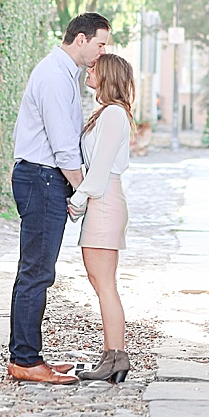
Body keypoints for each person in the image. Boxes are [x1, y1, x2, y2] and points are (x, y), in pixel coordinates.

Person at [8, 11, 110, 385]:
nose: (102, 52)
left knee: (36, 271)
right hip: (42, 179)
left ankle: (27, 355)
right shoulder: (55, 76)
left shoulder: (64, 75)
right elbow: (64, 147)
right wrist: (83, 191)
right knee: (36, 272)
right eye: (100, 43)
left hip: (43, 179)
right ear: (80, 39)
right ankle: (25, 360)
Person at [67, 52, 135, 383]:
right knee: (100, 282)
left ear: (107, 75)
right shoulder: (106, 113)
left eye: (95, 67)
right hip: (102, 199)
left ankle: (116, 357)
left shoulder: (113, 115)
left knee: (105, 284)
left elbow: (101, 167)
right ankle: (112, 356)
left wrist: (77, 201)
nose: (88, 70)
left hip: (104, 200)